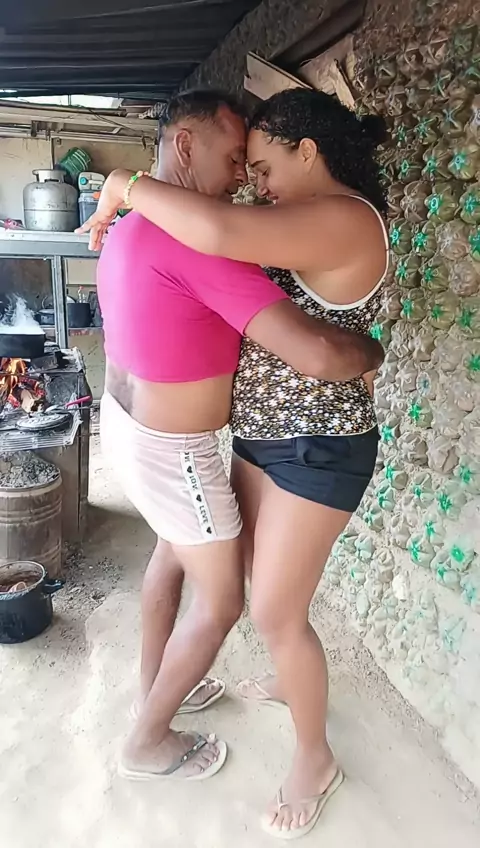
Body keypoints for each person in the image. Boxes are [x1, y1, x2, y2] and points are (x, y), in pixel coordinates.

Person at [86, 89, 384, 796]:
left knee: (266, 608)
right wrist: (123, 186)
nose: (248, 181)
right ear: (188, 148)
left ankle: (311, 759)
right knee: (217, 581)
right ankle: (160, 709)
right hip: (249, 438)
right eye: (239, 162)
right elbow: (220, 234)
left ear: (307, 152)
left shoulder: (334, 218)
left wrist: (123, 185)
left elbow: (307, 338)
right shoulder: (222, 226)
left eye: (260, 166)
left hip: (312, 444)